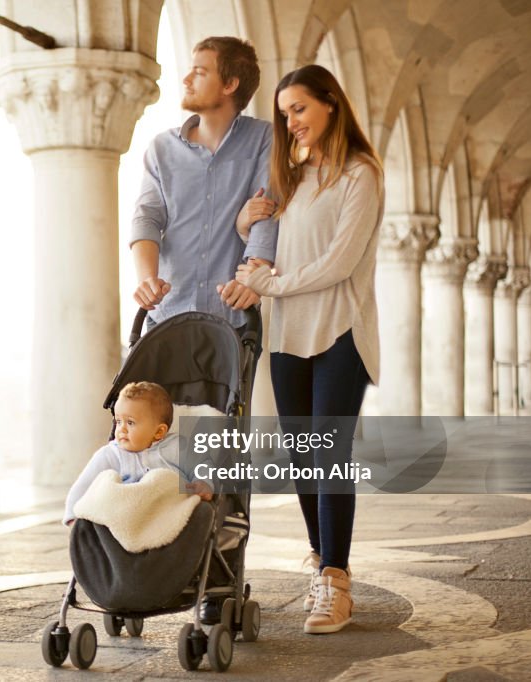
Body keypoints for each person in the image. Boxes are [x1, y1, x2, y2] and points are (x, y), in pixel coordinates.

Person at [235, 64, 384, 635]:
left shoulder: (359, 175)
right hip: (288, 334)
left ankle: (336, 583)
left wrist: (269, 283)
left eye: (298, 108)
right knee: (302, 458)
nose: (289, 121)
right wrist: (243, 220)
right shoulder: (289, 176)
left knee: (329, 455)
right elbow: (264, 244)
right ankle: (322, 564)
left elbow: (339, 264)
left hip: (341, 331)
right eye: (283, 113)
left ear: (329, 103)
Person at [130, 36, 278, 328]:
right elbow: (147, 216)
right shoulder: (162, 148)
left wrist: (254, 278)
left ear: (229, 85)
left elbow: (267, 216)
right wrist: (147, 279)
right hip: (167, 316)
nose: (186, 79)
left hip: (233, 320)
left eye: (199, 72)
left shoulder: (264, 139)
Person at [63, 382, 210, 525]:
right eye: (118, 421)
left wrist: (203, 483)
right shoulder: (110, 455)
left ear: (159, 432)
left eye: (130, 423)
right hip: (127, 520)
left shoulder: (178, 447)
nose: (121, 429)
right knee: (103, 512)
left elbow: (203, 464)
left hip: (170, 514)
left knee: (202, 511)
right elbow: (84, 486)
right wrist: (73, 516)